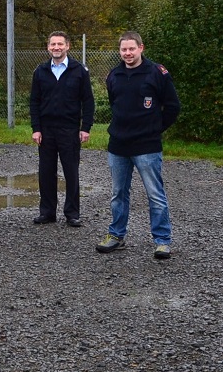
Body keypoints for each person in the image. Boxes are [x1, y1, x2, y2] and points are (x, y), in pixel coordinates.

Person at [96, 31, 181, 259]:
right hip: (119, 146)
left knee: (155, 195)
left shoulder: (157, 73)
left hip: (147, 146)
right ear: (119, 51)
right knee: (118, 194)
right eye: (124, 49)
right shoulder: (114, 75)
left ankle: (162, 241)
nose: (128, 53)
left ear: (141, 48)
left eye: (132, 49)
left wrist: (154, 129)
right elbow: (115, 103)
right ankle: (116, 236)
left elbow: (173, 106)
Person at [29, 31, 94, 227]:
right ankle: (47, 212)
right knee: (46, 172)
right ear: (48, 47)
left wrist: (85, 128)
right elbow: (34, 102)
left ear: (68, 46)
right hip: (46, 130)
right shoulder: (40, 71)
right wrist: (36, 128)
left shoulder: (79, 71)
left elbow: (88, 101)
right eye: (53, 44)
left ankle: (72, 213)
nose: (56, 47)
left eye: (60, 44)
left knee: (71, 172)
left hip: (70, 129)